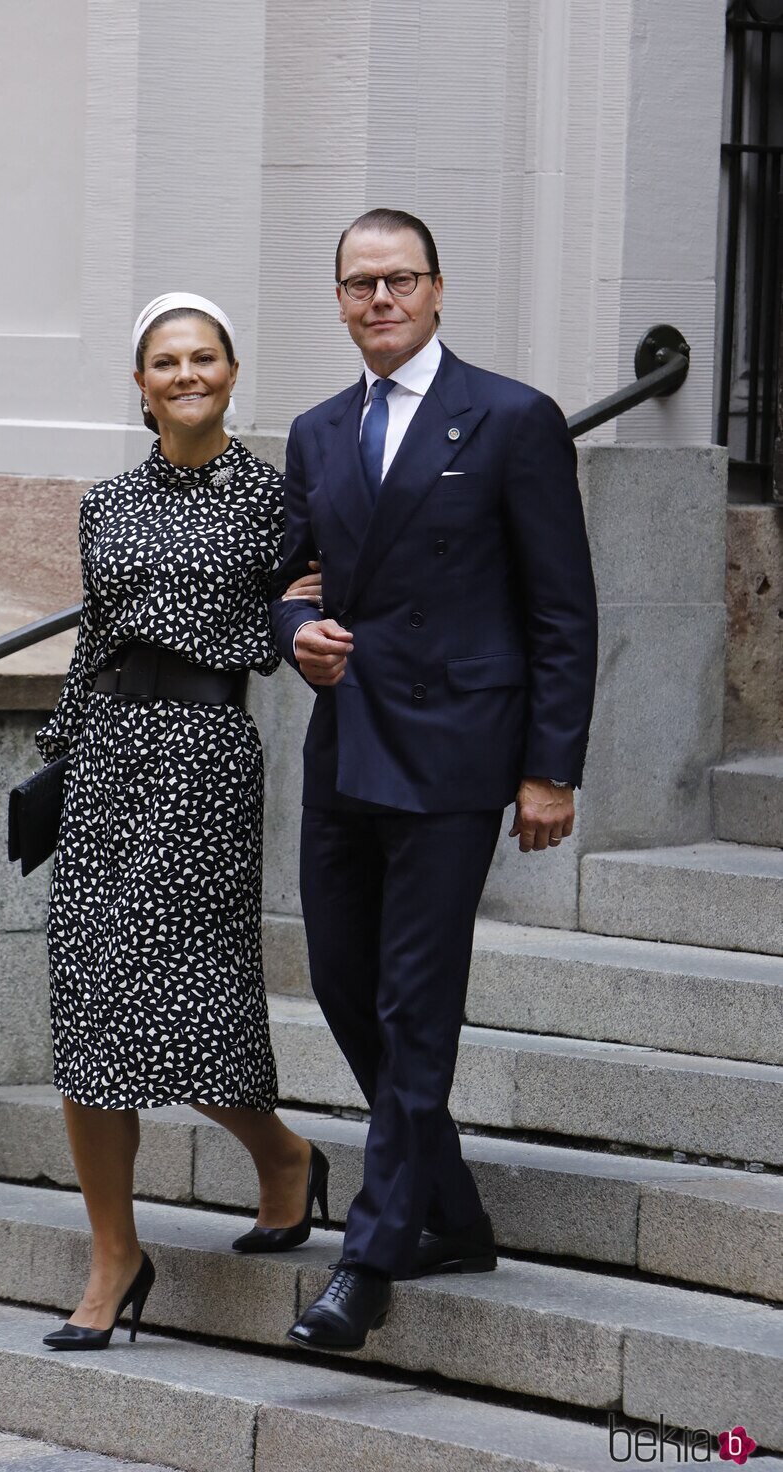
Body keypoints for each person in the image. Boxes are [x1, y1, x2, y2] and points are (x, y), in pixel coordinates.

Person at [270, 209, 598, 1353]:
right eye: (357, 282)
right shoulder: (317, 432)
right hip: (346, 743)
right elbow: (289, 577)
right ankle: (451, 1210)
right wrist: (296, 627)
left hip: (458, 751)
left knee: (414, 1000)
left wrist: (547, 767)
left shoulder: (509, 417)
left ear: (437, 289)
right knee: (344, 980)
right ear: (341, 298)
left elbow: (561, 606)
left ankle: (371, 1253)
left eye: (397, 278)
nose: (378, 299)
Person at [36, 293, 329, 1351]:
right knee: (89, 1002)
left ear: (233, 369)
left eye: (203, 356)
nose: (186, 372)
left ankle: (284, 1156)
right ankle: (114, 1254)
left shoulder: (273, 498)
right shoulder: (103, 502)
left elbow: (302, 608)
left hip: (204, 757)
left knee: (184, 997)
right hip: (105, 758)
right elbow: (92, 640)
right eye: (166, 360)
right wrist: (54, 759)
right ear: (140, 380)